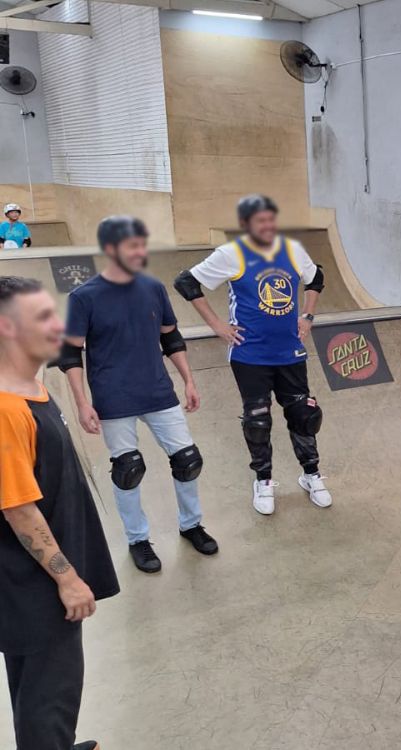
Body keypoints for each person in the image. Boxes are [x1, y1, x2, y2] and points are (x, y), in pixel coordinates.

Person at [60, 216, 217, 574]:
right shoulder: (83, 297)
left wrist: (188, 380)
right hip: (114, 398)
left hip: (159, 391)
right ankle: (138, 540)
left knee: (188, 459)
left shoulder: (153, 287)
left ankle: (191, 524)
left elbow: (171, 338)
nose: (139, 252)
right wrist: (82, 403)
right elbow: (70, 354)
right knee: (128, 469)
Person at [0, 275, 119, 750]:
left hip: (34, 584)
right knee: (53, 691)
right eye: (43, 317)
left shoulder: (33, 387)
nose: (58, 325)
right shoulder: (8, 410)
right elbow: (17, 507)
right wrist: (67, 579)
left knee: (37, 687)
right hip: (35, 586)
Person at [174, 195, 330, 515]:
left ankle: (311, 474)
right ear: (246, 224)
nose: (268, 227)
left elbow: (316, 277)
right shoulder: (232, 254)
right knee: (257, 419)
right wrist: (218, 325)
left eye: (271, 220)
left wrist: (308, 316)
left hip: (290, 351)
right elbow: (186, 283)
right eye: (261, 221)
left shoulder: (291, 250)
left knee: (304, 414)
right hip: (250, 355)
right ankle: (264, 480)